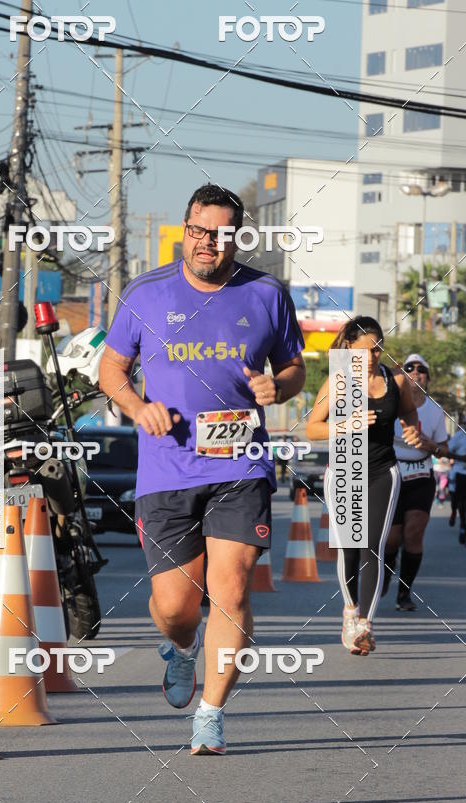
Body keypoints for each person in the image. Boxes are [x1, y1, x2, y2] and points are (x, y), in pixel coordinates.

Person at [99, 183, 306, 754]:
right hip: (167, 469)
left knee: (232, 588)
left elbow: (294, 368)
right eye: (198, 231)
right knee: (174, 606)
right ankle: (180, 648)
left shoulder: (266, 293)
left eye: (221, 234)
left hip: (242, 462)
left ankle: (210, 715)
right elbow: (111, 369)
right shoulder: (146, 293)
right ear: (183, 229)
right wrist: (138, 407)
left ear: (238, 237)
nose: (208, 243)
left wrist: (278, 385)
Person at [306, 317, 421, 655]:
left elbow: (409, 414)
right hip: (344, 468)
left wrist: (412, 429)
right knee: (349, 547)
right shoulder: (338, 380)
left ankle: (364, 627)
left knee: (374, 545)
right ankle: (350, 611)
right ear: (349, 349)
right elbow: (312, 428)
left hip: (384, 470)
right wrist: (347, 424)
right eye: (364, 351)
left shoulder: (394, 378)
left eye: (377, 349)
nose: (372, 357)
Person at [382, 354, 449, 611]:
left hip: (421, 474)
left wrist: (430, 445)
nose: (416, 373)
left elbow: (442, 449)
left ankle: (404, 593)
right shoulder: (390, 402)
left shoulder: (434, 410)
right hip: (392, 473)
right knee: (391, 539)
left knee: (414, 532)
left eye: (422, 370)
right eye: (410, 369)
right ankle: (386, 573)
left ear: (428, 379)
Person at [448, 414, 466, 544]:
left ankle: (463, 527)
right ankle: (455, 514)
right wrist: (461, 458)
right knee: (458, 501)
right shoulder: (459, 436)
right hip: (460, 474)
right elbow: (446, 451)